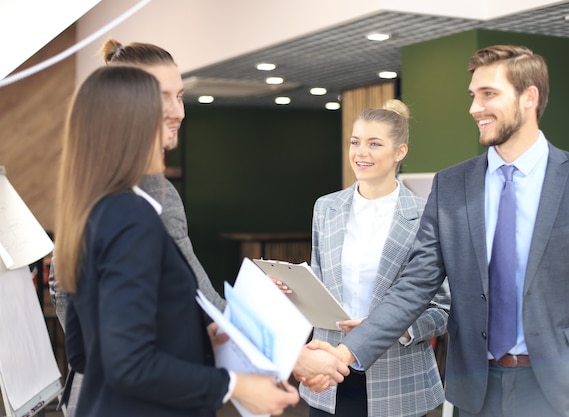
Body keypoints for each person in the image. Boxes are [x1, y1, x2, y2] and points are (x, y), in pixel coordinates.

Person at [305, 44, 569, 417]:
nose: (475, 108)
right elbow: (413, 287)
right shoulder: (452, 185)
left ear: (529, 97)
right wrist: (344, 353)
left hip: (564, 393)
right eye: (473, 96)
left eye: (489, 94)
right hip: (476, 391)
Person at [54, 64, 299, 417]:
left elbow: (82, 350)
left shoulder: (93, 212)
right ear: (131, 121)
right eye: (160, 103)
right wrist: (236, 384)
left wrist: (200, 342)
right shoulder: (131, 218)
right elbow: (130, 364)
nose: (174, 113)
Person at [48, 38, 226, 416]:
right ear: (126, 105)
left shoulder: (88, 193)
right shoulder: (140, 206)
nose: (178, 111)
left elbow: (74, 322)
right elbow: (200, 299)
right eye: (161, 96)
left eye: (180, 96)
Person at [294, 99, 450, 417]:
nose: (361, 153)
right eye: (355, 142)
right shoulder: (326, 208)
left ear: (400, 151)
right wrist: (295, 290)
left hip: (398, 381)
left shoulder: (426, 215)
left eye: (374, 144)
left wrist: (393, 327)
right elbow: (322, 288)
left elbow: (442, 310)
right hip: (328, 378)